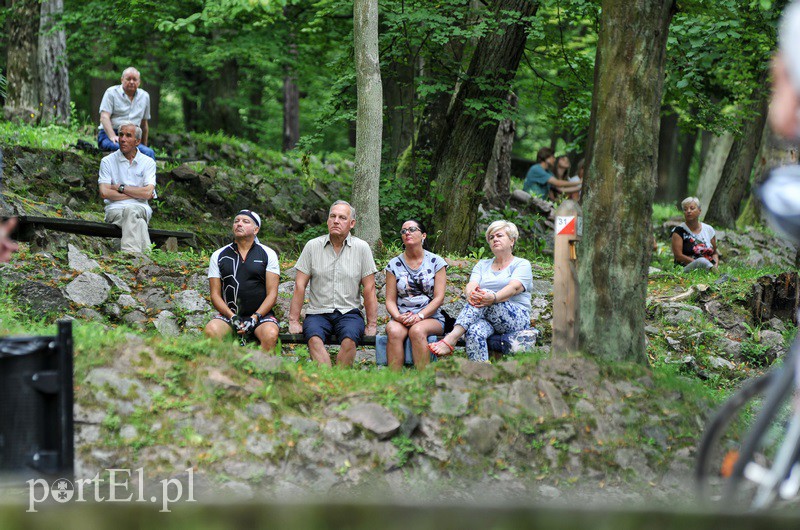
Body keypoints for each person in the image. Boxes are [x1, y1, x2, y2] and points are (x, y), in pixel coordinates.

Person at [288, 200, 378, 367]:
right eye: (333, 216)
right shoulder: (312, 246)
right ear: (328, 221)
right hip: (318, 312)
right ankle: (328, 382)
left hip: (349, 312)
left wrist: (372, 324)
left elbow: (369, 288)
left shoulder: (362, 248)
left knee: (350, 339)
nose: (336, 221)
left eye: (342, 218)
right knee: (313, 338)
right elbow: (300, 285)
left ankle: (340, 380)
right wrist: (293, 320)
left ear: (352, 223)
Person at [428, 220, 533, 363]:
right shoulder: (482, 265)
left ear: (512, 241)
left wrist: (493, 297)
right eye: (491, 237)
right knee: (474, 331)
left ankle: (452, 338)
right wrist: (472, 294)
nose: (495, 239)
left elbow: (514, 288)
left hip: (515, 318)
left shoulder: (521, 264)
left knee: (485, 292)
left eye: (499, 235)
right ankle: (479, 375)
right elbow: (471, 285)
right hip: (486, 317)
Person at [204, 210, 280, 352]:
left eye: (245, 222)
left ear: (256, 229)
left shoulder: (268, 254)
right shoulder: (218, 255)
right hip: (229, 315)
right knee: (211, 330)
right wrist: (232, 316)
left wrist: (255, 317)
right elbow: (215, 294)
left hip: (261, 316)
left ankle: (263, 371)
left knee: (270, 334)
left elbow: (272, 294)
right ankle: (220, 370)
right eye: (236, 221)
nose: (239, 224)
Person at [384, 219, 448, 370]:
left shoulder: (436, 262)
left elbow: (439, 298)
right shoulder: (393, 265)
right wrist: (398, 317)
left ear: (423, 235)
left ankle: (422, 381)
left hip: (430, 317)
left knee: (417, 330)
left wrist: (419, 316)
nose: (407, 233)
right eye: (404, 231)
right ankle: (393, 382)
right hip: (403, 317)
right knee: (393, 330)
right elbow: (390, 300)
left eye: (412, 229)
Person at [97, 122, 157, 254]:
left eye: (128, 136)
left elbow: (148, 193)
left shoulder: (148, 162)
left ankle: (129, 254)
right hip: (115, 210)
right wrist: (137, 193)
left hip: (141, 209)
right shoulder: (107, 161)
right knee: (139, 223)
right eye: (121, 135)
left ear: (137, 141)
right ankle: (146, 257)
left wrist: (120, 188)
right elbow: (104, 192)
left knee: (131, 210)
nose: (122, 139)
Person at [97, 67, 156, 160]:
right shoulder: (111, 93)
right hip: (110, 135)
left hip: (132, 136)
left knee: (148, 153)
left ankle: (147, 175)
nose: (131, 82)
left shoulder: (145, 96)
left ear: (139, 82)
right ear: (122, 80)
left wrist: (143, 146)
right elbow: (104, 117)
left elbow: (144, 124)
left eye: (135, 79)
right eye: (128, 79)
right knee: (124, 149)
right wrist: (112, 136)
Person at [670, 197, 719, 272]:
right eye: (685, 209)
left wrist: (715, 266)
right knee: (702, 261)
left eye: (692, 208)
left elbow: (714, 253)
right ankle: (714, 272)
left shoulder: (709, 229)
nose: (688, 211)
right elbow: (678, 256)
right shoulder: (678, 231)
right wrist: (700, 264)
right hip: (686, 269)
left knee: (704, 262)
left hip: (707, 269)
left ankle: (714, 271)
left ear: (699, 211)